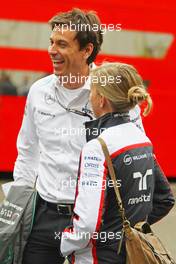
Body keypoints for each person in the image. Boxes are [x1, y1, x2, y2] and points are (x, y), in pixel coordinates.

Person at [13, 8, 145, 264]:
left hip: (98, 222)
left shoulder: (112, 94)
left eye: (62, 44)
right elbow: (27, 151)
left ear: (87, 50)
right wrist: (18, 208)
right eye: (51, 42)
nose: (52, 50)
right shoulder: (39, 91)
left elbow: (137, 154)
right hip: (44, 215)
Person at [60, 62, 175, 263]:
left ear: (102, 100)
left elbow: (86, 224)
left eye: (92, 92)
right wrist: (130, 232)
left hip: (99, 257)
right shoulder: (142, 139)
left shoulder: (98, 147)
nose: (90, 98)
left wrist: (65, 243)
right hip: (135, 252)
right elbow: (165, 199)